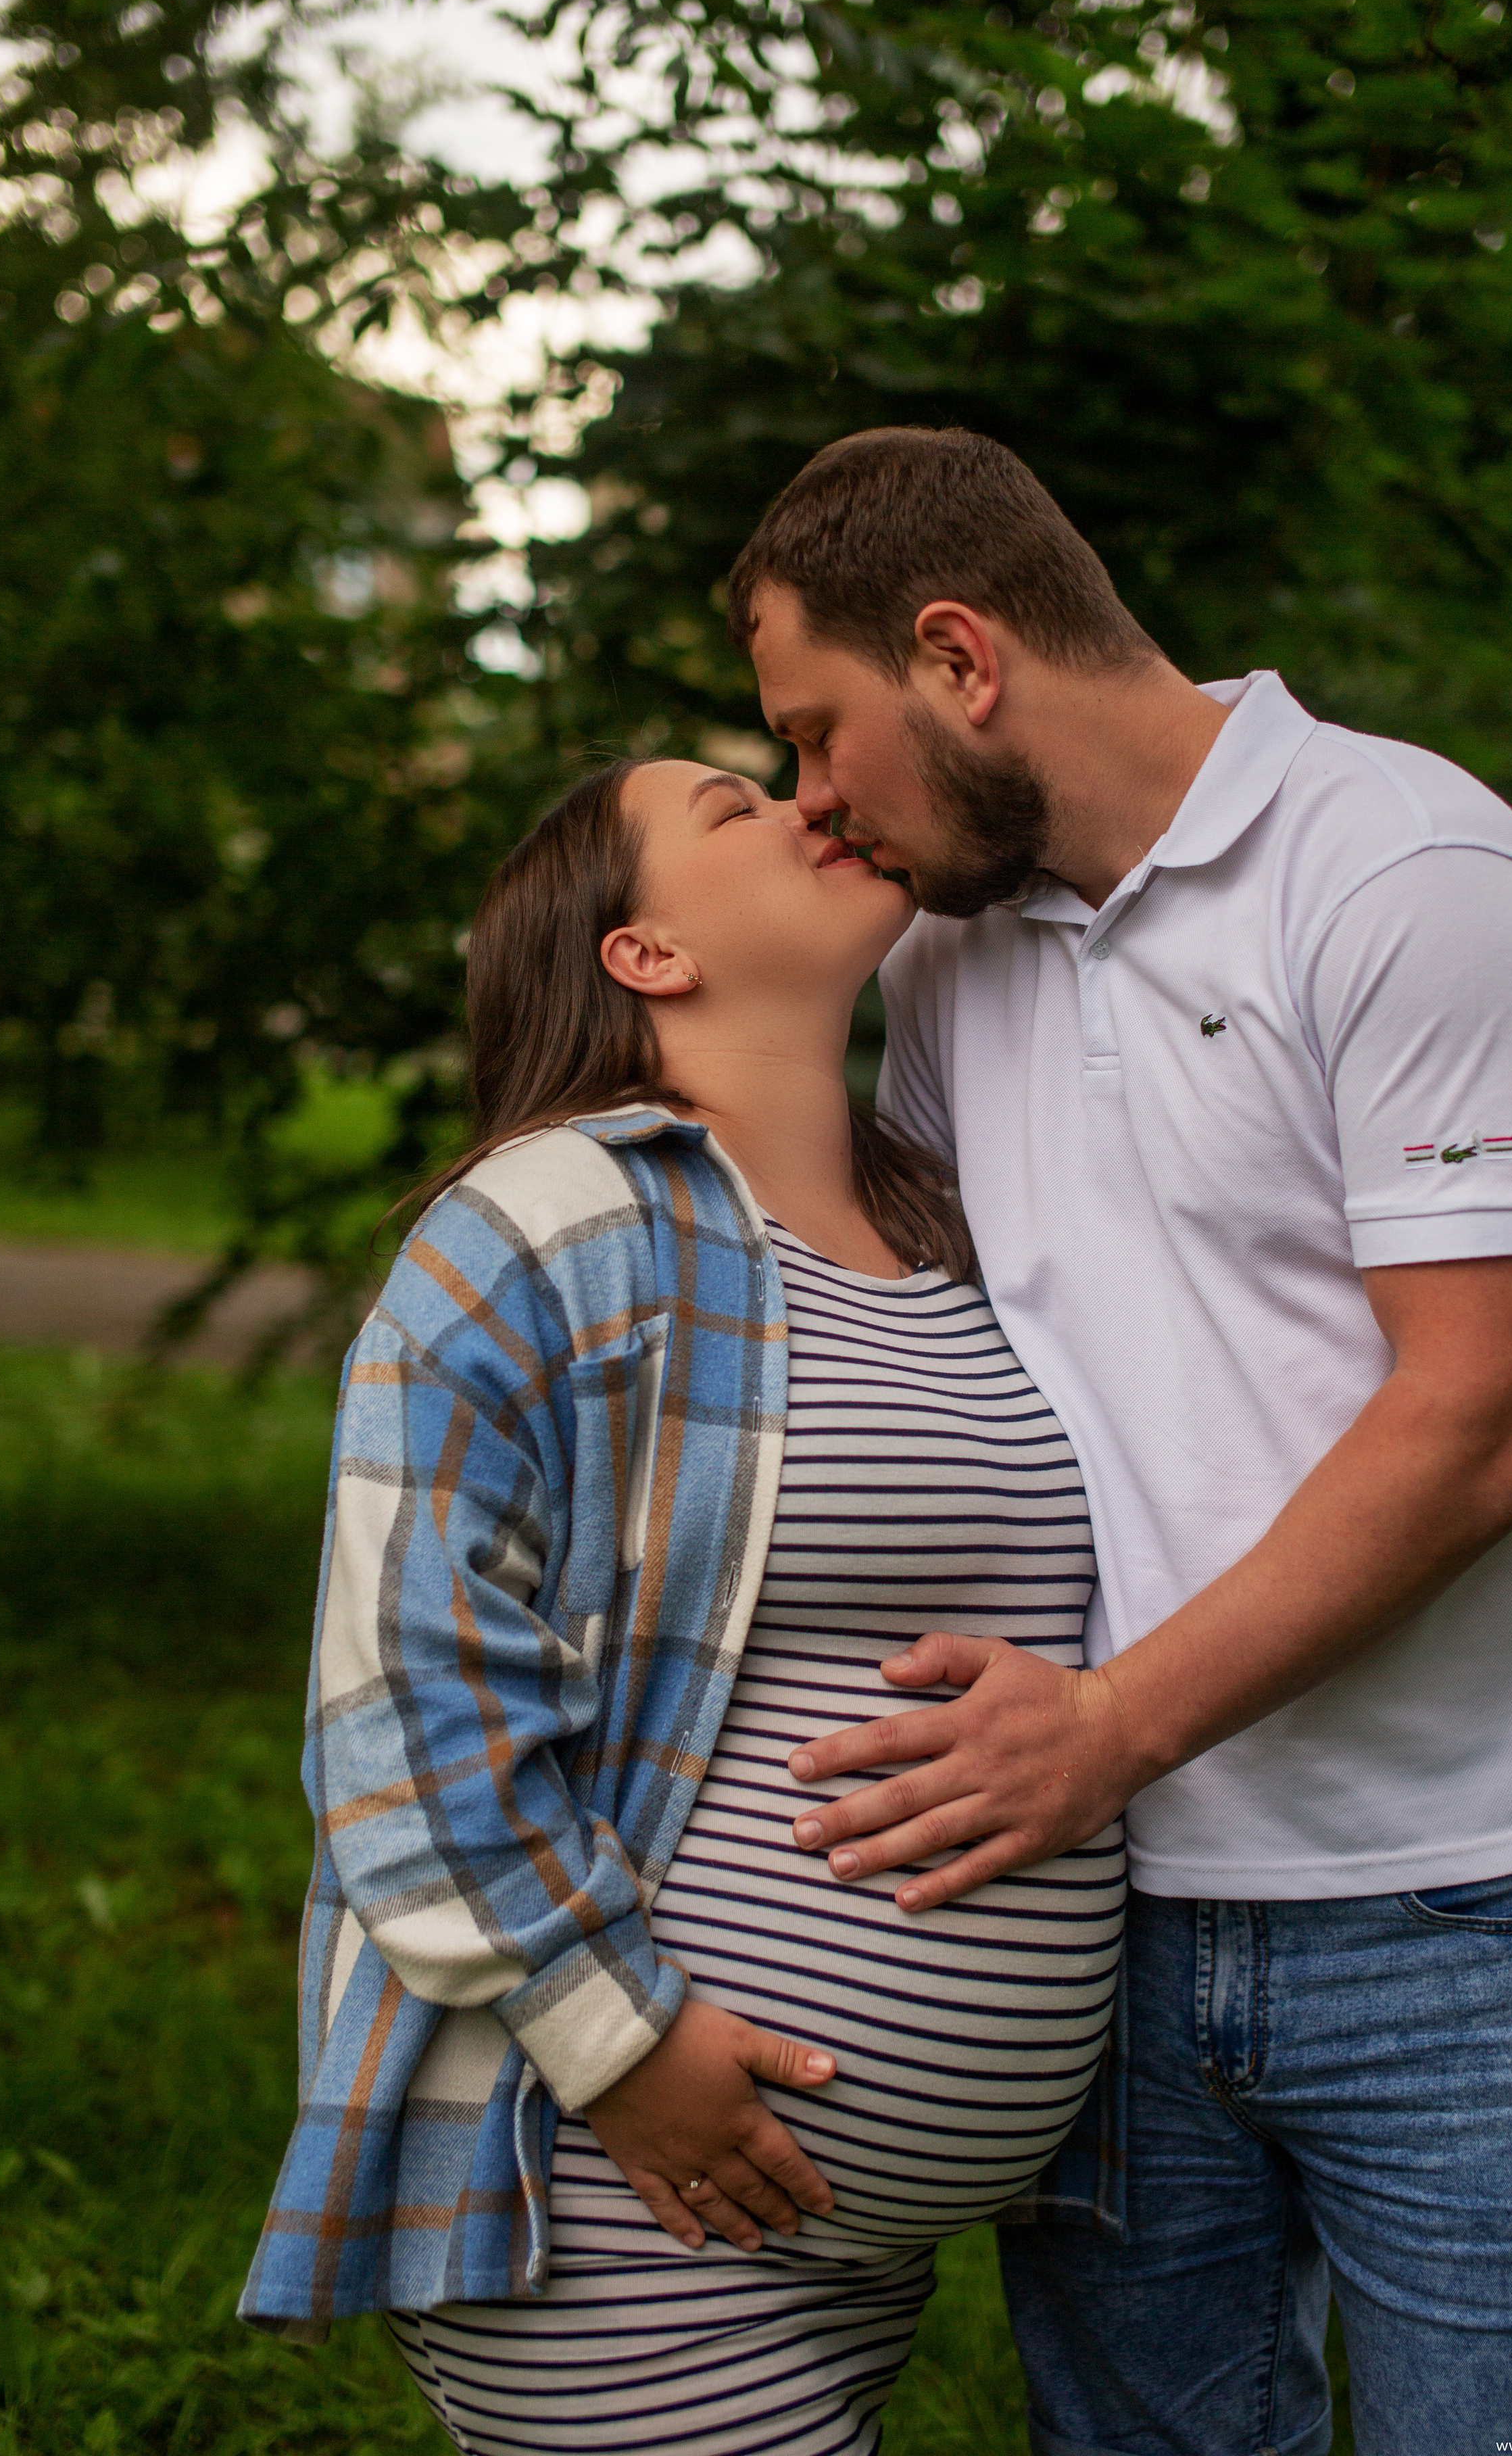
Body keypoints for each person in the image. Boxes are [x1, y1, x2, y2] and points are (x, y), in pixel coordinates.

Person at [724, 425, 1512, 2456]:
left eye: (816, 734)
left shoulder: (1405, 869)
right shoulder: (956, 958)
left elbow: (1488, 1408)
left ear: (961, 658)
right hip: (1098, 1915)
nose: (812, 801)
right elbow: (943, 1352)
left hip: (1459, 1906)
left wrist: (1111, 1723)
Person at [237, 750, 1125, 2455]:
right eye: (731, 806)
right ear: (645, 956)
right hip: (614, 2171)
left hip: (831, 2219)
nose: (807, 799)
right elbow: (400, 1711)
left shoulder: (944, 1237)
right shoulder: (538, 1226)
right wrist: (621, 2047)